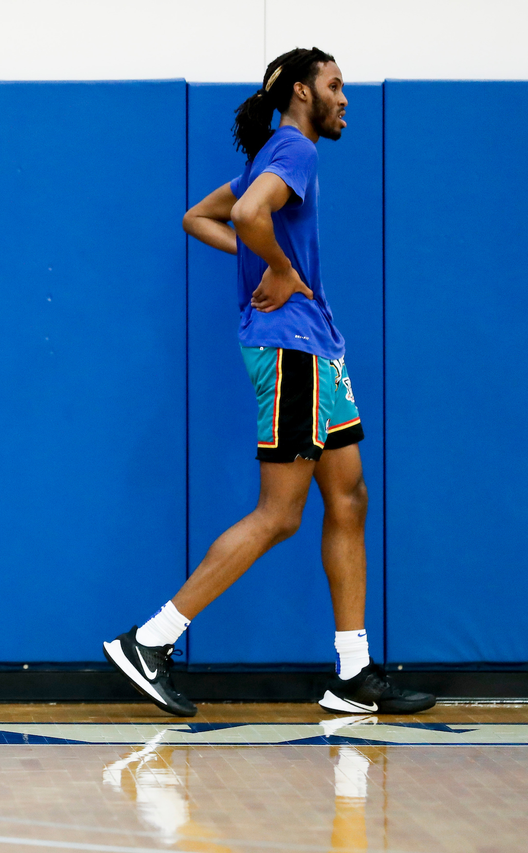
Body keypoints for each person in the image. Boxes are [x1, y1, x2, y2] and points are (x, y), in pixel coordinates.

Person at [103, 48, 433, 717]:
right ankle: (151, 639)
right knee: (280, 513)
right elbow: (250, 214)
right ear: (303, 93)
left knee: (349, 496)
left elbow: (200, 216)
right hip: (291, 353)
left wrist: (263, 260)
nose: (345, 97)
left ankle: (353, 671)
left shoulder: (272, 155)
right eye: (336, 86)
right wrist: (277, 269)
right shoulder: (295, 151)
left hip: (318, 351)